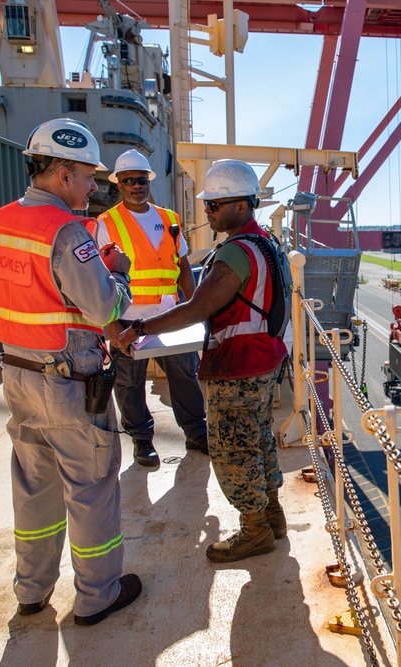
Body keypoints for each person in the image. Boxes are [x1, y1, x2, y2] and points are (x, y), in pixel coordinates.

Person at [0, 118, 141, 625]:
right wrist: (115, 272)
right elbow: (101, 307)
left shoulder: (3, 221)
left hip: (17, 373)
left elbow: (40, 286)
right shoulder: (66, 229)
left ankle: (31, 590)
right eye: (85, 175)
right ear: (59, 172)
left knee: (34, 485)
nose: (93, 186)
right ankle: (98, 595)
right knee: (92, 483)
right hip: (67, 380)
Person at [119, 159, 287, 563]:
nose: (208, 212)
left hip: (238, 368)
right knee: (259, 440)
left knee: (233, 451)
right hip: (264, 362)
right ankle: (273, 515)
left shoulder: (236, 252)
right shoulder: (267, 244)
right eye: (208, 204)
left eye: (216, 204)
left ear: (243, 207)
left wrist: (139, 328)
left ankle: (254, 531)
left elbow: (196, 308)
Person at [93, 149, 208, 468]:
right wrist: (111, 325)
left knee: (186, 374)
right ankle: (142, 441)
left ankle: (196, 432)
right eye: (128, 180)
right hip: (127, 317)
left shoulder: (169, 218)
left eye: (141, 179)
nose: (135, 185)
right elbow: (101, 275)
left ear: (148, 181)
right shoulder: (107, 222)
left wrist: (196, 307)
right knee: (128, 383)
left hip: (169, 317)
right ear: (118, 184)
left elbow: (183, 267)